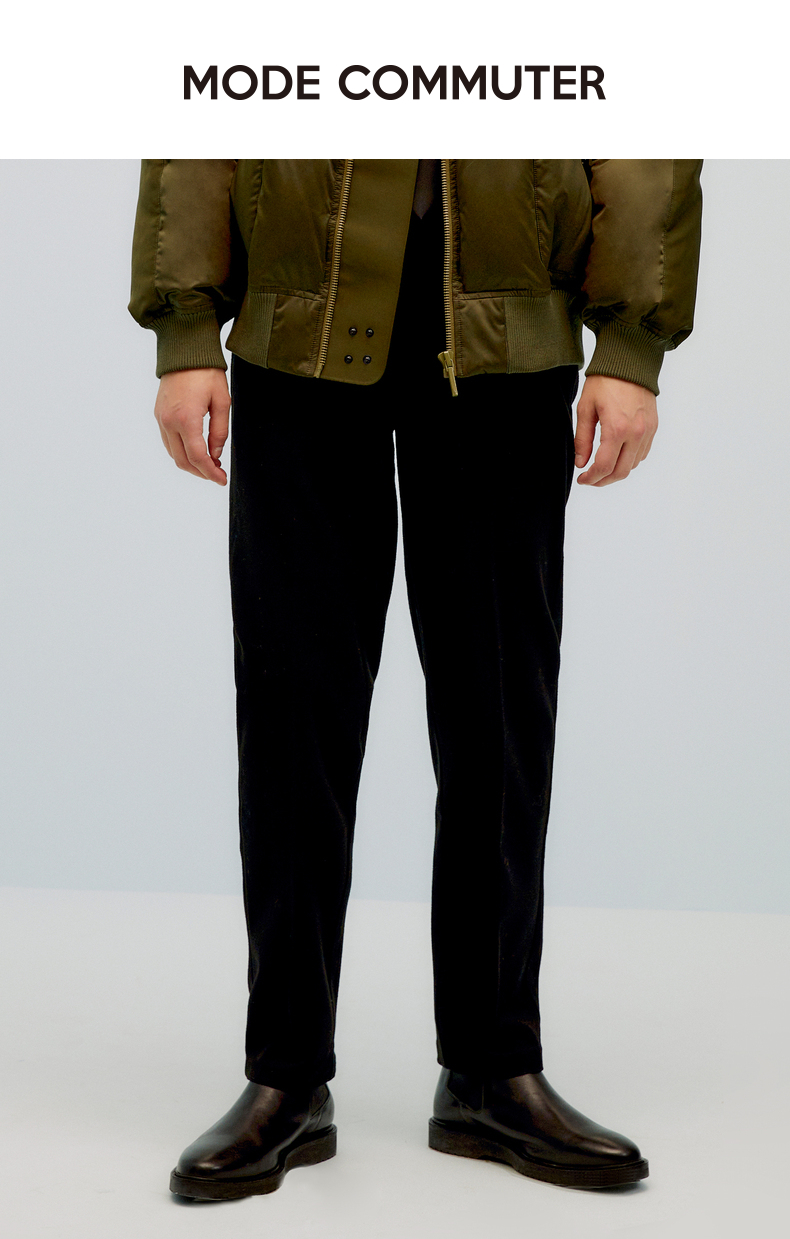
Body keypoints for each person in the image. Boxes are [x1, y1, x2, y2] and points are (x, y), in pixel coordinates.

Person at [129, 158, 702, 1200]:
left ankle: (491, 1067)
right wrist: (186, 331)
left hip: (508, 331)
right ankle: (284, 1074)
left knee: (499, 714)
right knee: (294, 717)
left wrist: (631, 345)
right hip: (298, 319)